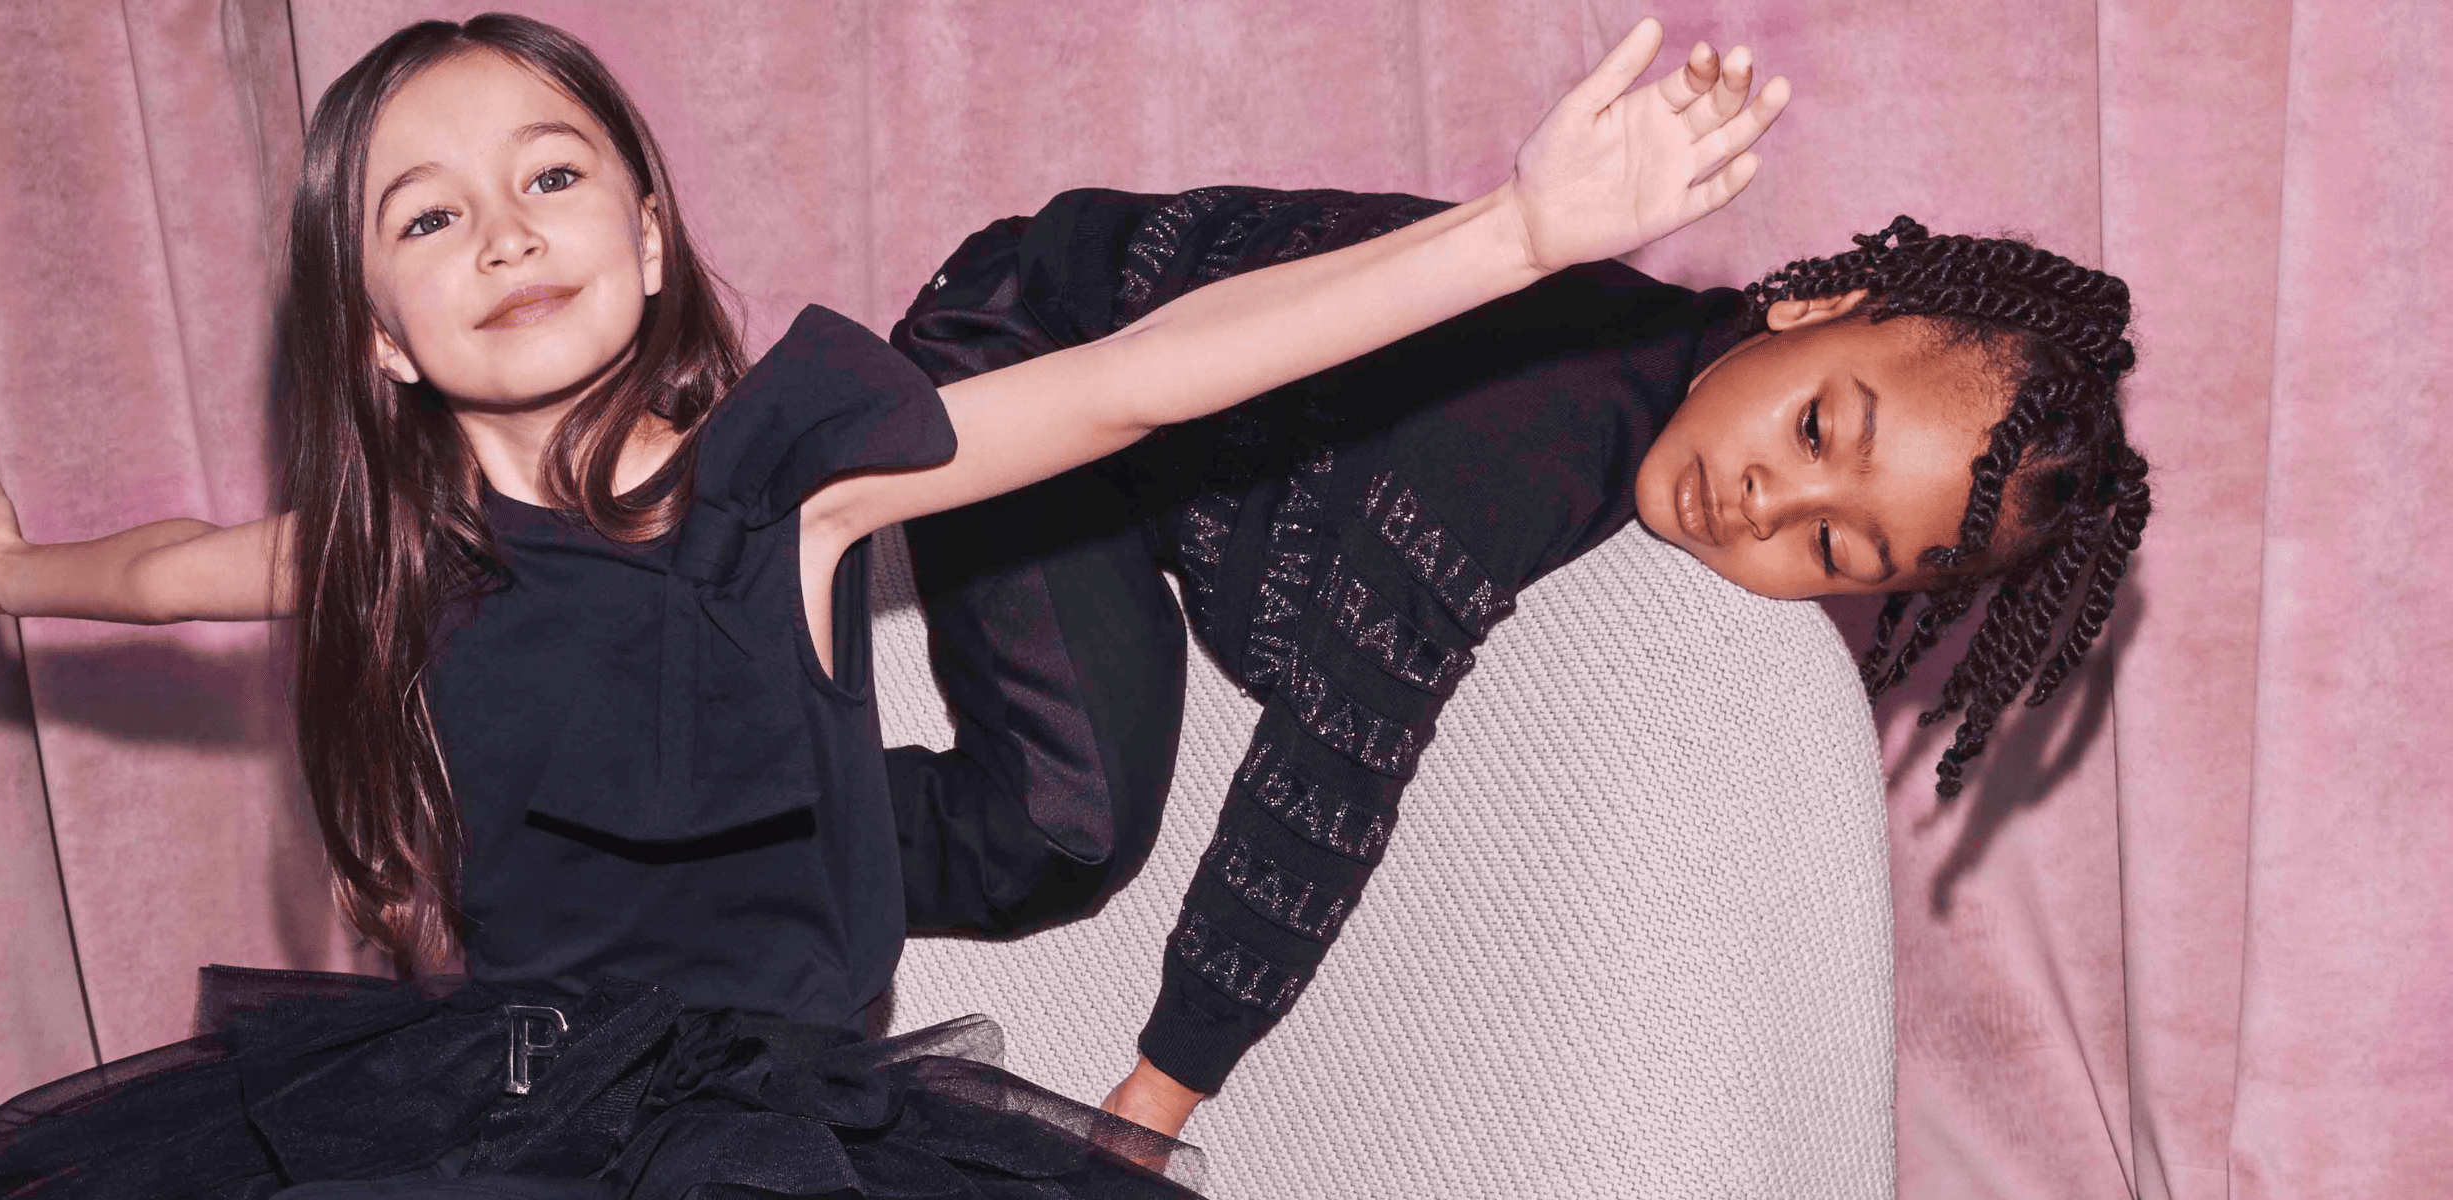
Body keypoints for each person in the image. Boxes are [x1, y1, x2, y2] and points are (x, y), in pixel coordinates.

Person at [0, 11, 1787, 1199]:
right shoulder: (394, 551)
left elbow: (1136, 380)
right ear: (378, 337)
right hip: (495, 1104)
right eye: (430, 215)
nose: (507, 230)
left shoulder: (791, 480)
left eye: (551, 174)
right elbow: (179, 570)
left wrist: (1514, 236)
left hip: (772, 1128)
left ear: (649, 239)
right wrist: (14, 573)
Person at [887, 188, 2150, 1137]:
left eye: (1833, 547)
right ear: (1816, 307)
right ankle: (772, 815)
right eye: (1817, 427)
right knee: (1062, 828)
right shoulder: (1531, 429)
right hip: (1025, 348)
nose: (1766, 502)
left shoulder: (1663, 375)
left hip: (1138, 472)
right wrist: (1158, 1101)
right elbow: (1329, 769)